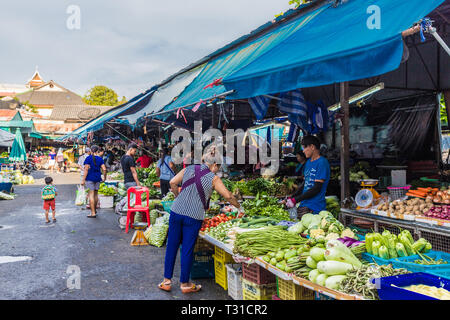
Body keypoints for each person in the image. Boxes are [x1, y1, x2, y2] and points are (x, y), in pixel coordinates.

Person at [159, 151, 242, 294]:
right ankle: (185, 284)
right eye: (218, 167)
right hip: (193, 217)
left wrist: (178, 196)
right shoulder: (213, 178)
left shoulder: (189, 169)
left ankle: (166, 281)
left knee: (172, 245)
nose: (218, 170)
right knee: (187, 249)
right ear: (214, 165)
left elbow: (173, 182)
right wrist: (240, 207)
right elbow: (228, 196)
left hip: (176, 212)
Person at [285, 136, 330, 217]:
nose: (303, 151)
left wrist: (296, 200)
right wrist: (292, 197)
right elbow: (305, 184)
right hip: (304, 205)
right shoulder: (308, 163)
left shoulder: (322, 163)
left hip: (315, 208)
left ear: (312, 147)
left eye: (304, 148)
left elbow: (317, 188)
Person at [81, 145, 107, 218]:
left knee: (91, 195)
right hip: (97, 178)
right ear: (97, 151)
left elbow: (86, 170)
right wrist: (104, 178)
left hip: (90, 178)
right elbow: (104, 169)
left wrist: (83, 180)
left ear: (91, 151)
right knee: (96, 195)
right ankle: (94, 210)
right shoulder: (100, 159)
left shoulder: (88, 158)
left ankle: (93, 213)